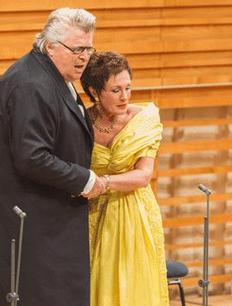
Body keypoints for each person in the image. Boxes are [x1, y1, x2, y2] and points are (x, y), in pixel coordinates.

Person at [0, 8, 106, 306]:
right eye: (77, 49)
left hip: (42, 222)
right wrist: (85, 180)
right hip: (20, 225)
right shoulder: (32, 84)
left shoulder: (53, 75)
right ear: (50, 45)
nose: (84, 57)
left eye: (88, 48)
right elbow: (32, 157)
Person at [80, 51, 169, 306]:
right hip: (91, 215)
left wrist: (104, 183)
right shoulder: (81, 121)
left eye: (128, 87)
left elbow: (143, 176)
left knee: (134, 288)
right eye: (116, 90)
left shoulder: (144, 120)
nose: (125, 96)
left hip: (134, 214)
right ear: (95, 92)